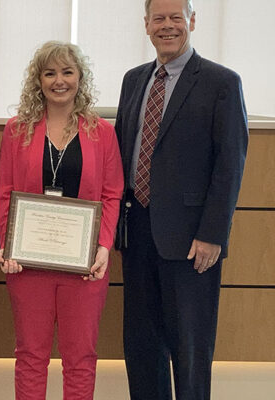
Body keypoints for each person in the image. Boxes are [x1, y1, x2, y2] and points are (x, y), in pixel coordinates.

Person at [114, 0, 248, 399]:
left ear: (192, 21)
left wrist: (213, 234)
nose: (167, 26)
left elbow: (230, 163)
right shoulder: (133, 79)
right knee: (141, 347)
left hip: (192, 241)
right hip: (136, 235)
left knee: (190, 351)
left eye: (176, 18)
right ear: (146, 25)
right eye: (159, 18)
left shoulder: (221, 82)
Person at [0, 41, 124, 400]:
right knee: (30, 356)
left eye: (67, 72)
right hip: (28, 265)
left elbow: (112, 193)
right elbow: (5, 191)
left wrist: (103, 246)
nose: (59, 81)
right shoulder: (19, 130)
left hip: (85, 267)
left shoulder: (102, 132)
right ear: (38, 80)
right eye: (50, 73)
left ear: (80, 78)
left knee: (81, 358)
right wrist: (8, 243)